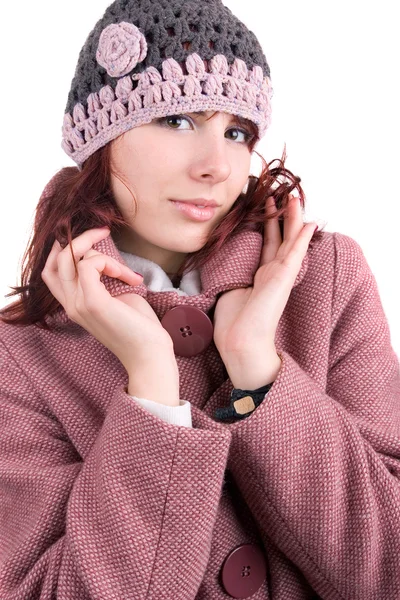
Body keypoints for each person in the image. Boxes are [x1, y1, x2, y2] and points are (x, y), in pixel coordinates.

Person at [0, 0, 399, 598]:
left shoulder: (325, 279)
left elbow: (387, 570)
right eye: (177, 121)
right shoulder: (21, 355)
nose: (216, 165)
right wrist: (151, 389)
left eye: (236, 132)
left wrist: (260, 373)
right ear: (101, 140)